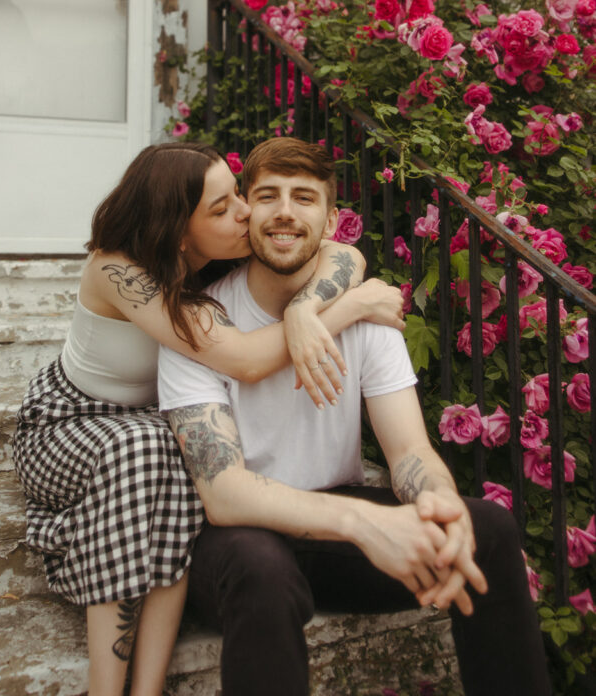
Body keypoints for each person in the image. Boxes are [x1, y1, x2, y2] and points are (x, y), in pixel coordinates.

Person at [158, 137, 552, 696]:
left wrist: (433, 497)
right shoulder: (201, 326)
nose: (286, 212)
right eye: (268, 196)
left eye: (304, 198)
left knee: (485, 527)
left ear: (331, 220)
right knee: (261, 570)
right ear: (246, 213)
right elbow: (223, 495)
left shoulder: (366, 315)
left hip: (330, 535)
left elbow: (410, 452)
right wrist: (369, 525)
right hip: (238, 539)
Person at [12, 140, 405, 696]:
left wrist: (301, 306)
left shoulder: (219, 256)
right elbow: (245, 361)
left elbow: (343, 254)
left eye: (236, 196)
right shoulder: (119, 269)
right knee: (146, 447)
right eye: (221, 209)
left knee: (176, 454)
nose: (246, 213)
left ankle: (147, 687)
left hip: (150, 423)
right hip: (67, 423)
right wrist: (350, 307)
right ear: (178, 230)